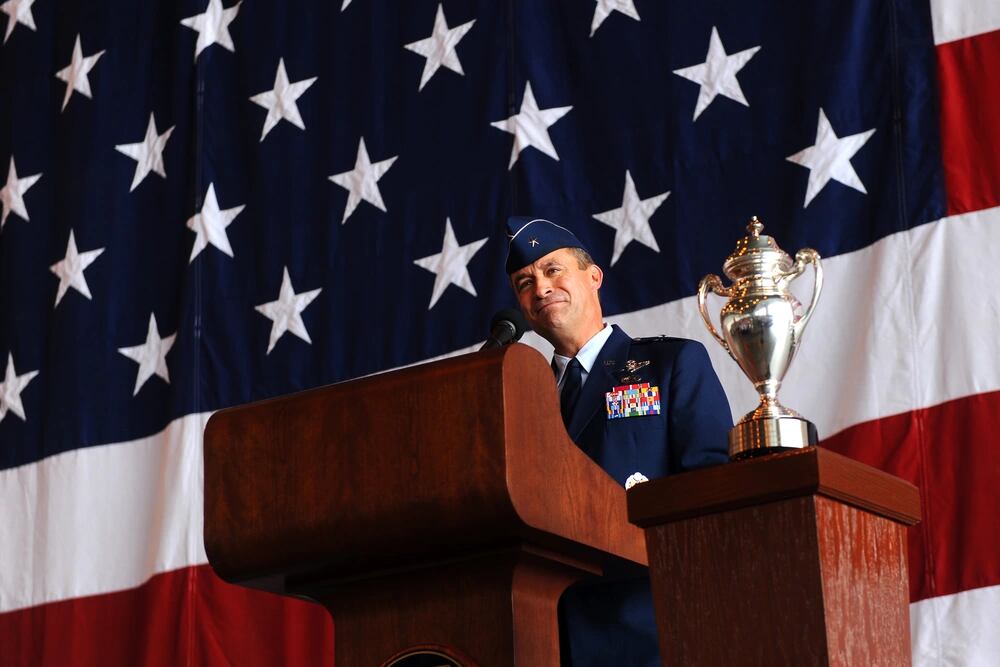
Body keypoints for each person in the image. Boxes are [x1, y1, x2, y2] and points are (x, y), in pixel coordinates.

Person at [504, 215, 732, 666]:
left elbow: (708, 493)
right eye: (524, 282)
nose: (541, 288)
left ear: (594, 276)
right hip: (547, 640)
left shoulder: (670, 364)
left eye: (553, 270)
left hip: (650, 629)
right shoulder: (519, 401)